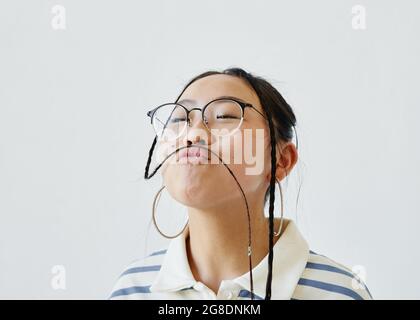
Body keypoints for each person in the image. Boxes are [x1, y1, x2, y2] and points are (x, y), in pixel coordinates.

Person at [109, 68, 372, 300]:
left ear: (280, 161)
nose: (193, 133)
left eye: (224, 117)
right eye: (179, 119)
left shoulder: (339, 292)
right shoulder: (132, 289)